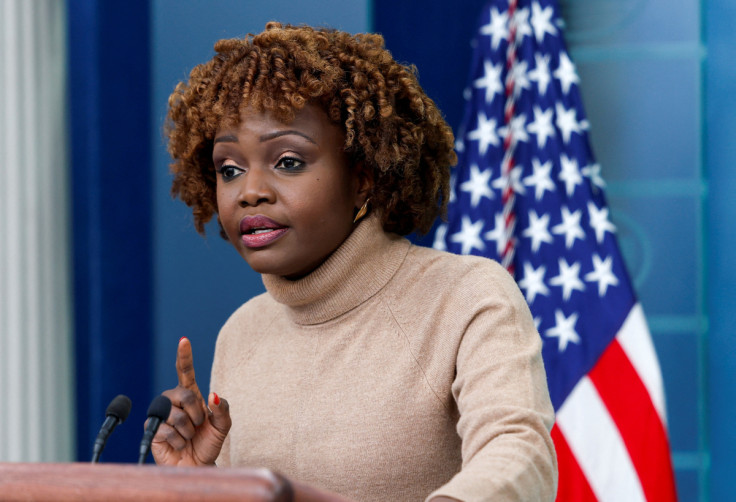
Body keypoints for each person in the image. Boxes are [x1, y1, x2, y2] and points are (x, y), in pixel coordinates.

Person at [152, 22, 557, 502]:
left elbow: (520, 452)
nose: (250, 191)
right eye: (230, 170)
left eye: (288, 161)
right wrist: (200, 481)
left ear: (362, 179)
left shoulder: (466, 296)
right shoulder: (241, 334)